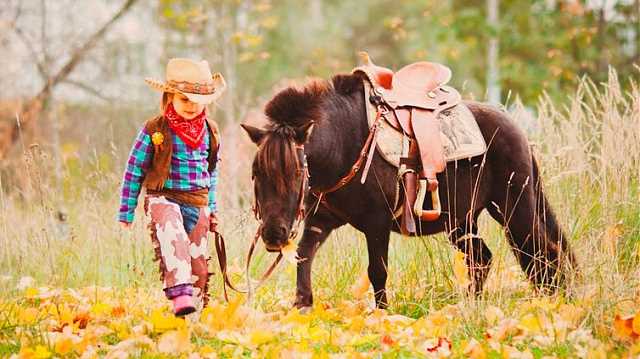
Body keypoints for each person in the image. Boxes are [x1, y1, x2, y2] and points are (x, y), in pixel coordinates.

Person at [118, 58, 225, 316]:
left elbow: (212, 172)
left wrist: (212, 209)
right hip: (163, 198)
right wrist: (126, 210)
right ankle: (179, 295)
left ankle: (194, 313)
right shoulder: (156, 129)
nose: (191, 106)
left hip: (198, 201)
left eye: (197, 101)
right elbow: (134, 169)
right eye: (185, 99)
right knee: (174, 239)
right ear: (169, 98)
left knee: (198, 262)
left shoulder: (210, 130)